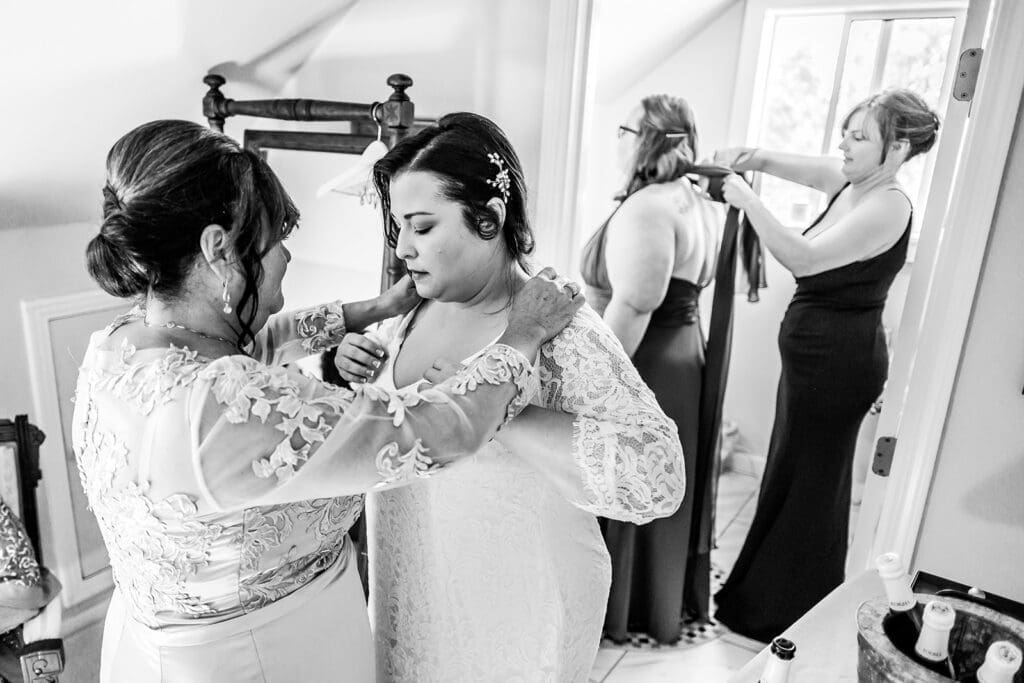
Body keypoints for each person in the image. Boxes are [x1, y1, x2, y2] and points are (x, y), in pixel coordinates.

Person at [73, 119, 583, 682]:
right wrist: (522, 337)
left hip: (150, 647)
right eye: (273, 240)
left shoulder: (122, 344)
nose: (287, 257)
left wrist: (365, 311)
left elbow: (242, 346)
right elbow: (440, 433)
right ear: (218, 249)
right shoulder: (221, 409)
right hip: (263, 657)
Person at [333, 112, 686, 682]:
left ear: (490, 218)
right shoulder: (411, 311)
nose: (404, 249)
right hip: (411, 591)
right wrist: (358, 363)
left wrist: (502, 413)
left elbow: (659, 476)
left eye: (423, 227)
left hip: (519, 612)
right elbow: (401, 422)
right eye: (398, 227)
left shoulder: (558, 328)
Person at [712, 89, 940, 641]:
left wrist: (748, 201)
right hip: (815, 362)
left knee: (812, 489)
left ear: (898, 147)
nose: (844, 143)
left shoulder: (888, 203)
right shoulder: (853, 181)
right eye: (845, 131)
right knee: (790, 476)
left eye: (859, 137)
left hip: (838, 368)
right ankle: (764, 599)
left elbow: (803, 257)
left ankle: (787, 610)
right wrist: (754, 158)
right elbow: (791, 164)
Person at [578, 94, 724, 644]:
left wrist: (592, 384)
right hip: (683, 353)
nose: (617, 138)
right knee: (658, 481)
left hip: (648, 362)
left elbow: (636, 303)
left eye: (624, 128)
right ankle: (650, 602)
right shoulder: (695, 200)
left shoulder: (651, 207)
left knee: (631, 477)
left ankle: (623, 610)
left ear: (648, 140)